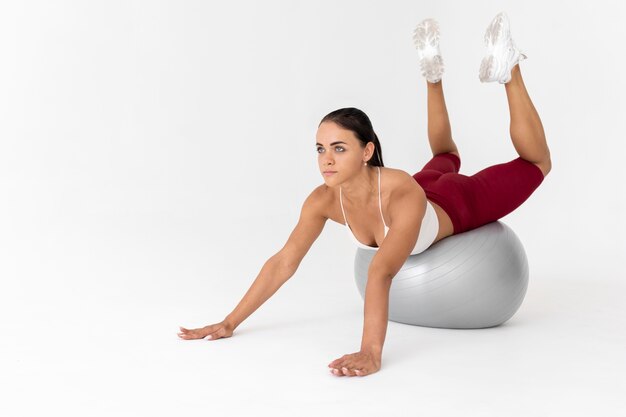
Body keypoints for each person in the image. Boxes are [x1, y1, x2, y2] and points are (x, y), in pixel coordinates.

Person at [177, 12, 551, 378]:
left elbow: (382, 271)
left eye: (339, 148)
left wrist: (371, 352)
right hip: (421, 188)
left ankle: (509, 70)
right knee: (445, 157)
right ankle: (433, 77)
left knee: (536, 163)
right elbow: (283, 262)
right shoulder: (323, 199)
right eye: (320, 149)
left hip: (455, 202)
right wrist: (229, 322)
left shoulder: (401, 190)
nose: (327, 159)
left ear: (367, 151)